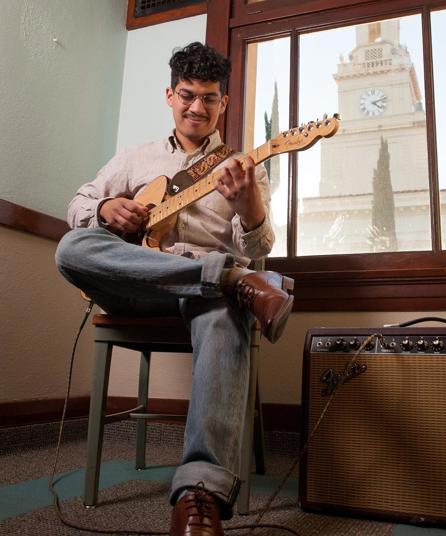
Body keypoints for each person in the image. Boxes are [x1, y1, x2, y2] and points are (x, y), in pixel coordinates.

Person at [55, 41, 294, 536]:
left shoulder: (244, 166)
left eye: (209, 98)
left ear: (223, 103)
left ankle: (198, 493)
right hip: (140, 284)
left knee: (225, 308)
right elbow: (78, 202)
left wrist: (249, 208)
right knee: (71, 248)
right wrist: (103, 211)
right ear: (170, 95)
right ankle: (229, 281)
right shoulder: (135, 157)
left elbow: (260, 249)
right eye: (187, 95)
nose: (197, 108)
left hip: (205, 295)